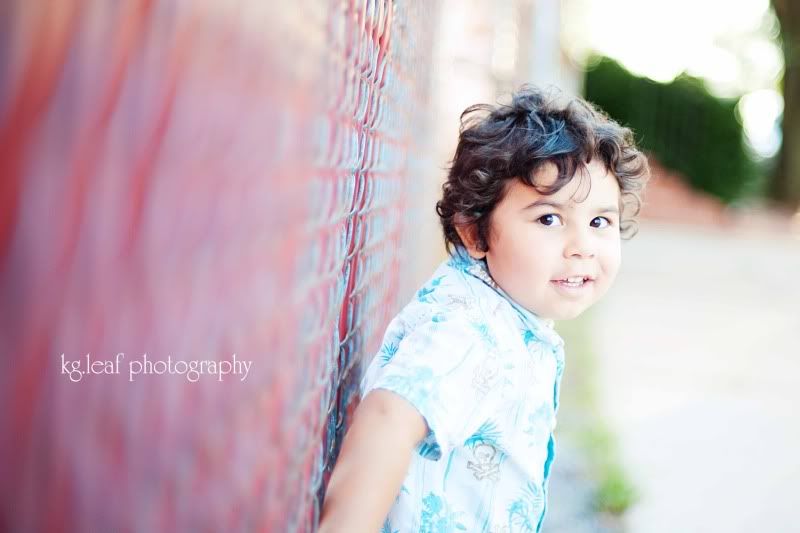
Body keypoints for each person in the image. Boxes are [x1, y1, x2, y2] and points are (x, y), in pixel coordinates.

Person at [318, 86, 649, 533]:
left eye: (599, 222)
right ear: (475, 233)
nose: (582, 247)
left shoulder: (507, 317)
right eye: (549, 218)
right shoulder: (470, 330)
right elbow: (388, 417)